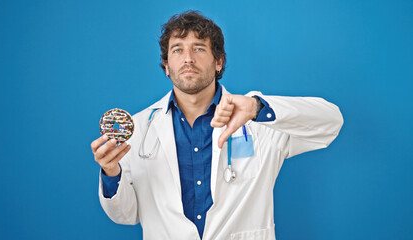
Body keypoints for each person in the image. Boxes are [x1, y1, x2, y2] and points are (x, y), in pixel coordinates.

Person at [90, 11, 343, 240]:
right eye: (177, 50)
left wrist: (256, 107)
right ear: (166, 66)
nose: (188, 59)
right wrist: (112, 173)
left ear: (218, 61)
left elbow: (331, 122)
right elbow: (126, 215)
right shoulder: (139, 128)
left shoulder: (259, 120)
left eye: (199, 49)